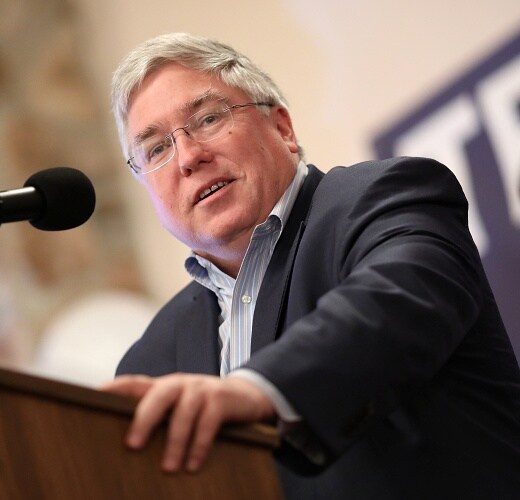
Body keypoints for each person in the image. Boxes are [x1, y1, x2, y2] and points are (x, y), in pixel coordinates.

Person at [102, 32, 520, 499]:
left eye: (209, 118)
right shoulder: (150, 361)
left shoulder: (387, 198)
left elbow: (395, 303)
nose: (188, 157)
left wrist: (258, 390)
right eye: (156, 149)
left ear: (282, 127)